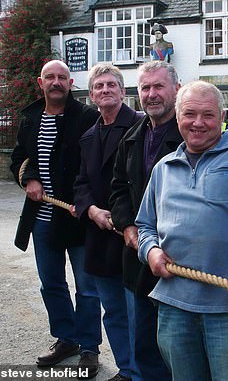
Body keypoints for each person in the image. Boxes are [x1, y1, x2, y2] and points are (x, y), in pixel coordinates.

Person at [135, 80, 228, 380]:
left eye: (208, 115)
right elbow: (144, 225)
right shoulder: (163, 168)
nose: (198, 123)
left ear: (222, 117)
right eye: (190, 114)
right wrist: (152, 251)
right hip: (173, 306)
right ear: (177, 115)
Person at [10, 60, 102, 378]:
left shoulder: (87, 117)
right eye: (50, 77)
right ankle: (67, 339)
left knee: (87, 287)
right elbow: (19, 157)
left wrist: (87, 201)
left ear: (71, 82)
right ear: (41, 82)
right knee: (51, 283)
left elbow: (96, 164)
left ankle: (89, 347)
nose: (56, 82)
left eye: (62, 77)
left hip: (77, 217)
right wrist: (30, 178)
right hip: (42, 218)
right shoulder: (30, 117)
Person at [109, 60, 179, 381]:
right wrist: (127, 224)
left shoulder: (191, 131)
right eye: (145, 88)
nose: (151, 94)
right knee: (146, 349)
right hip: (138, 262)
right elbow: (118, 188)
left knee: (180, 352)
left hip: (179, 263)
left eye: (159, 86)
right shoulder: (132, 137)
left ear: (176, 89)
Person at [74, 64, 143, 381]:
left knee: (137, 313)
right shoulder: (88, 137)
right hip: (99, 236)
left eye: (111, 85)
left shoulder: (142, 127)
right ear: (91, 95)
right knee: (113, 310)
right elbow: (81, 183)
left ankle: (144, 372)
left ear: (122, 91)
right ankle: (127, 370)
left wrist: (121, 216)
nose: (105, 90)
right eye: (99, 86)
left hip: (132, 234)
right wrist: (91, 211)